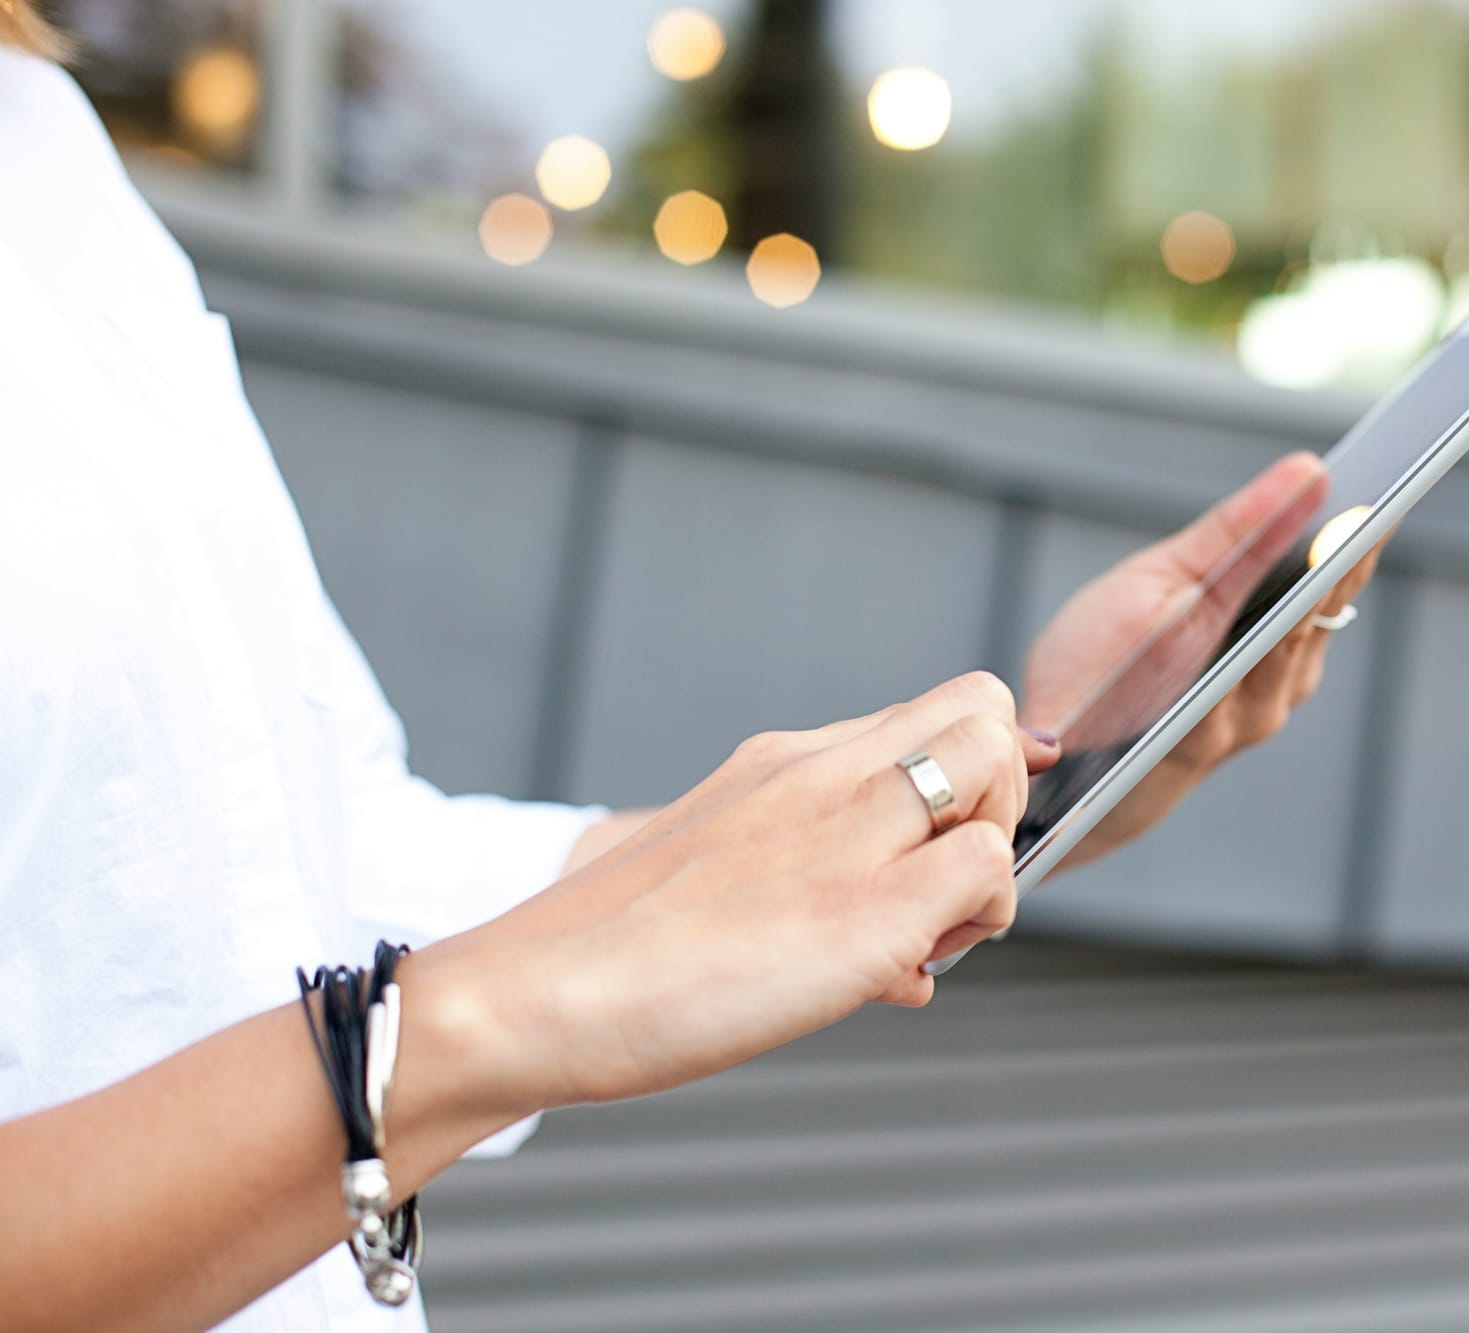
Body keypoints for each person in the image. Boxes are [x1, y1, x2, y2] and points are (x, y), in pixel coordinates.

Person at [0, 7, 1384, 1331]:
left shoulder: (48, 144)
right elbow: (431, 998)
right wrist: (476, 1027)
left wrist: (1032, 782)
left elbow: (316, 872)